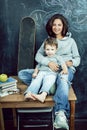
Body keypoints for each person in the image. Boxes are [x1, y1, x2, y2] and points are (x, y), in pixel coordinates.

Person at [18, 14, 80, 130]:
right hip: (49, 70)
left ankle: (60, 114)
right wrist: (48, 63)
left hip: (65, 70)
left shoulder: (71, 41)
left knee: (63, 78)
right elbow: (38, 55)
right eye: (54, 25)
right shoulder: (49, 40)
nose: (56, 27)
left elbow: (77, 59)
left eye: (59, 25)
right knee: (23, 73)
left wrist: (69, 63)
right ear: (51, 26)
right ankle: (53, 86)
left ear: (63, 26)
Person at [24, 37, 68, 103]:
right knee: (36, 80)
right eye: (48, 49)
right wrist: (35, 73)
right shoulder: (43, 58)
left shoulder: (58, 57)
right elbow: (38, 66)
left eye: (52, 49)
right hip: (41, 72)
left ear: (56, 50)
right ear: (44, 49)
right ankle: (29, 93)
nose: (50, 52)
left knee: (48, 81)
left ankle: (43, 95)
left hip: (51, 73)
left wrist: (65, 70)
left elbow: (63, 64)